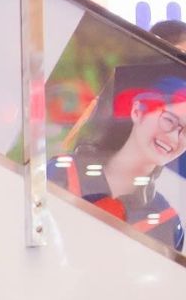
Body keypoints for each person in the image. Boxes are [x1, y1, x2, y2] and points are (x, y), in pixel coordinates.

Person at [50, 69, 186, 250]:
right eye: (169, 120)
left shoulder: (167, 226)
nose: (175, 138)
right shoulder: (64, 171)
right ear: (137, 111)